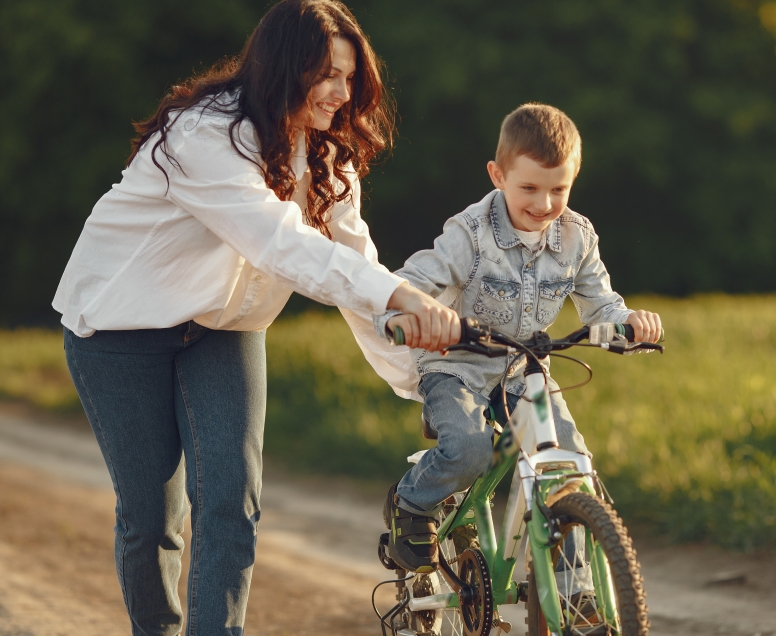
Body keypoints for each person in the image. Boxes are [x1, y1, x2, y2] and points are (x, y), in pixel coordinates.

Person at [53, 1, 459, 633]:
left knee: (230, 504)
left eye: (349, 78)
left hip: (223, 330)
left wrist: (420, 378)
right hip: (119, 328)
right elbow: (282, 244)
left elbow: (354, 268)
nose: (340, 93)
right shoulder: (204, 134)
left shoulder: (327, 157)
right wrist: (401, 297)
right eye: (326, 74)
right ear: (283, 67)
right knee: (152, 516)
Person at [373, 103, 662, 573]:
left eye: (558, 189)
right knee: (470, 450)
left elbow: (602, 304)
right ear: (497, 175)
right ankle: (412, 501)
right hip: (456, 365)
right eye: (529, 187)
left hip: (524, 370)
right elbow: (411, 282)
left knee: (568, 462)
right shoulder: (469, 234)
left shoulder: (577, 238)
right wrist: (402, 316)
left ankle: (574, 589)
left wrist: (631, 323)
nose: (544, 204)